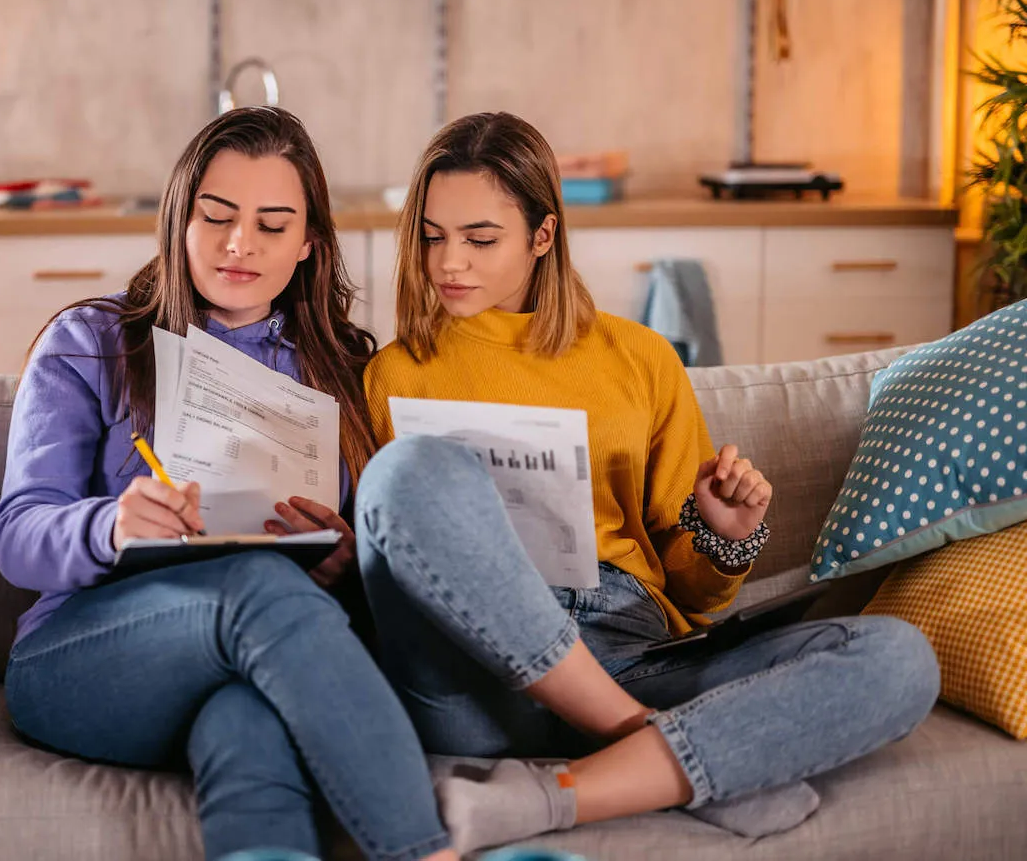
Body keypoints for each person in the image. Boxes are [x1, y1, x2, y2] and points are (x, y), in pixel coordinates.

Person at [347, 112, 940, 852]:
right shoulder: (392, 374)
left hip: (633, 654)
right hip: (474, 683)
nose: (448, 263)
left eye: (479, 239)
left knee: (898, 659)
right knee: (407, 473)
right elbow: (387, 551)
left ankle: (555, 797)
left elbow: (693, 598)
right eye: (432, 237)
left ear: (543, 235)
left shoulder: (639, 358)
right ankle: (660, 748)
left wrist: (724, 539)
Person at [0, 107, 457, 861]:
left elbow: (369, 575)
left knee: (249, 720)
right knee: (255, 584)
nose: (241, 244)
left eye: (273, 226)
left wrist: (345, 563)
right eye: (217, 217)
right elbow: (17, 538)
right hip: (82, 659)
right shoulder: (90, 343)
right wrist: (112, 524)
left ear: (309, 245)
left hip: (248, 658)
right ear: (180, 220)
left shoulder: (344, 371)